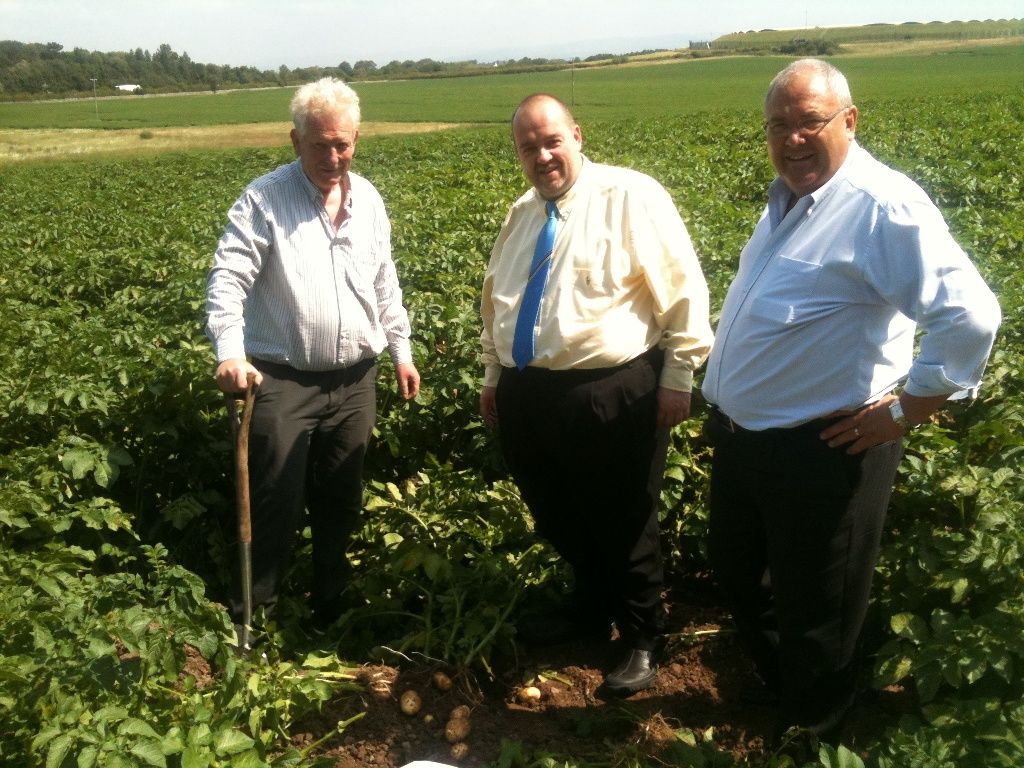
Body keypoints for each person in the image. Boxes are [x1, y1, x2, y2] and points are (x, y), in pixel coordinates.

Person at [701, 59, 1001, 741]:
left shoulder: (879, 205)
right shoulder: (788, 200)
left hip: (826, 447)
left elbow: (972, 316)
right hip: (748, 441)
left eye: (810, 122)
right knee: (743, 575)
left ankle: (817, 725)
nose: (793, 139)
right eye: (779, 125)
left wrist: (907, 411)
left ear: (850, 121)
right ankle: (788, 689)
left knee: (820, 605)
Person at [479, 93, 713, 695]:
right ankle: (589, 607)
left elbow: (683, 287)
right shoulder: (523, 212)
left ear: (577, 136)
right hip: (530, 392)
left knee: (625, 515)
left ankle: (643, 634)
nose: (542, 155)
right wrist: (493, 375)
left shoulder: (631, 195)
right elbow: (496, 301)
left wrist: (679, 376)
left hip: (610, 388)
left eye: (552, 140)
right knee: (556, 510)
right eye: (528, 147)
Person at [205, 77, 420, 636]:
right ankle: (255, 613)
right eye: (320, 144)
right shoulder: (264, 200)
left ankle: (331, 600)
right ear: (294, 140)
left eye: (343, 144)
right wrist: (231, 354)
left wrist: (401, 348)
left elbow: (384, 281)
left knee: (341, 494)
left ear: (356, 139)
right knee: (276, 494)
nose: (333, 156)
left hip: (355, 379)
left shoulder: (368, 199)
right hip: (281, 379)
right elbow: (227, 281)